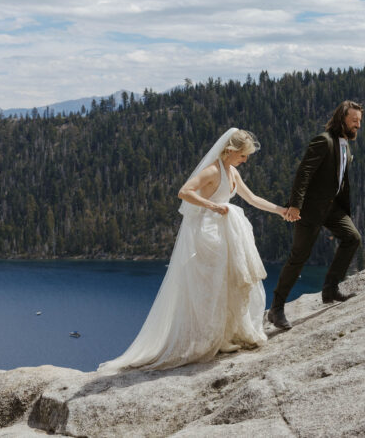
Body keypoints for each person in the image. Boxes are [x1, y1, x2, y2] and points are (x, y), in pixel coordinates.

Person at [99, 128, 289, 372]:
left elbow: (251, 198)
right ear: (230, 152)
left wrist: (280, 210)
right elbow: (184, 191)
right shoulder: (211, 171)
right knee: (211, 285)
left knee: (231, 281)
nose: (245, 160)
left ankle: (225, 336)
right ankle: (210, 339)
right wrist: (211, 205)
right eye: (243, 155)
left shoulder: (233, 172)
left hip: (228, 231)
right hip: (210, 233)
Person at [267, 101, 363, 330]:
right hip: (309, 210)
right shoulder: (324, 141)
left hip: (332, 208)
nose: (358, 125)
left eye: (359, 121)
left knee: (352, 238)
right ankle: (276, 309)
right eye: (354, 121)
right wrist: (296, 206)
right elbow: (304, 174)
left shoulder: (345, 145)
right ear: (342, 119)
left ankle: (330, 289)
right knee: (298, 257)